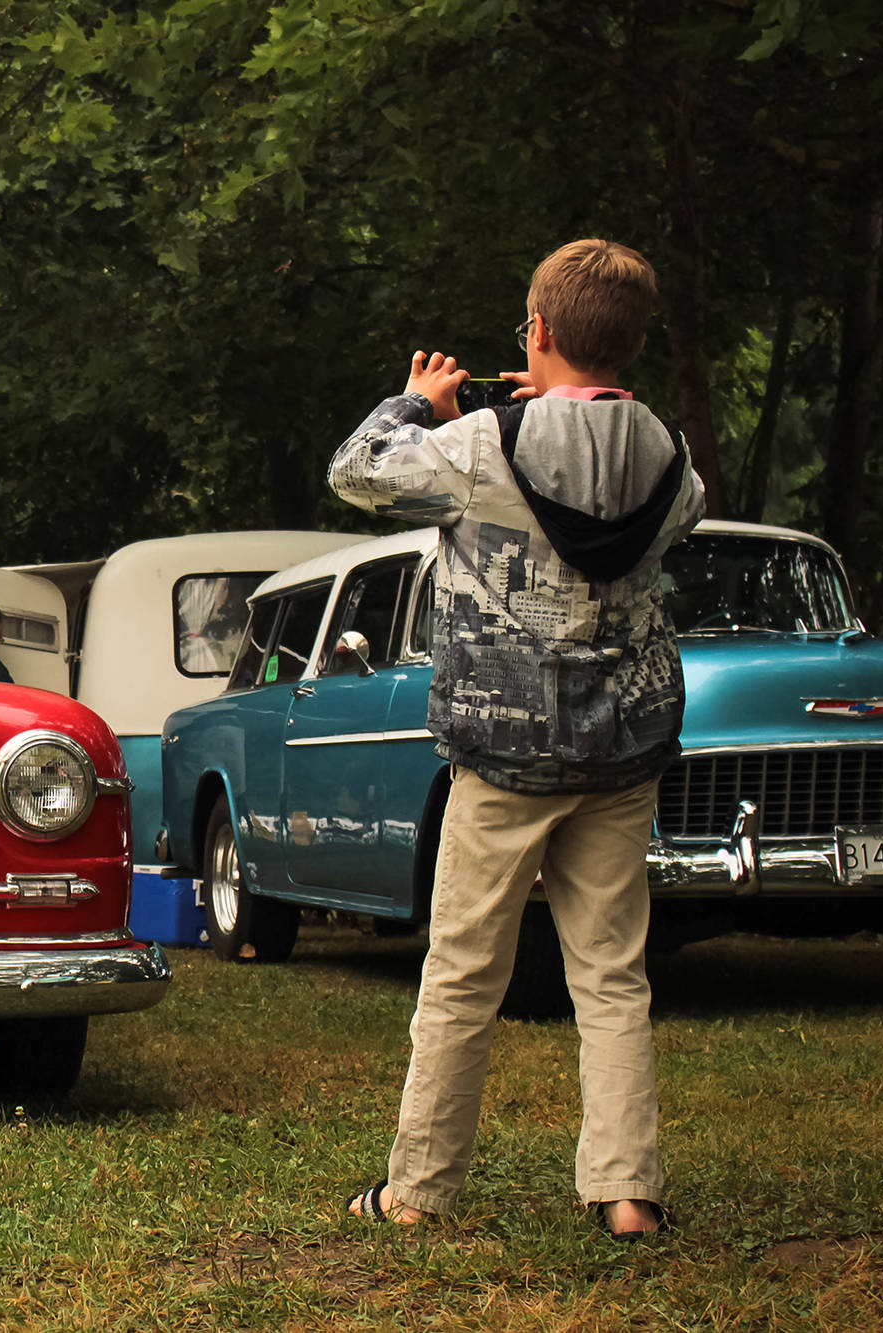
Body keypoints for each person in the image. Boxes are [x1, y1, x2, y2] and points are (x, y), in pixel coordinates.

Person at [326, 239, 705, 1240]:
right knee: (611, 970)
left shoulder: (479, 447)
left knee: (461, 969)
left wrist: (421, 405)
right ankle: (625, 1192)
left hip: (501, 754)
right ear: (630, 340)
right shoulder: (670, 454)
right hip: (621, 748)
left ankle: (417, 1190)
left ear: (535, 333)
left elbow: (355, 473)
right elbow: (653, 515)